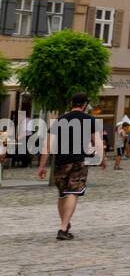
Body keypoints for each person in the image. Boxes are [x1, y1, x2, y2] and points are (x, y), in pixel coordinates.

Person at [37, 93, 103, 241]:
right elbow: (97, 142)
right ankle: (63, 227)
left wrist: (42, 166)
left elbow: (47, 146)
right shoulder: (90, 120)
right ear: (85, 104)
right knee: (73, 191)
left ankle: (64, 225)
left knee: (62, 193)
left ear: (71, 103)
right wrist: (100, 158)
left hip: (61, 161)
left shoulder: (59, 120)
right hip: (79, 161)